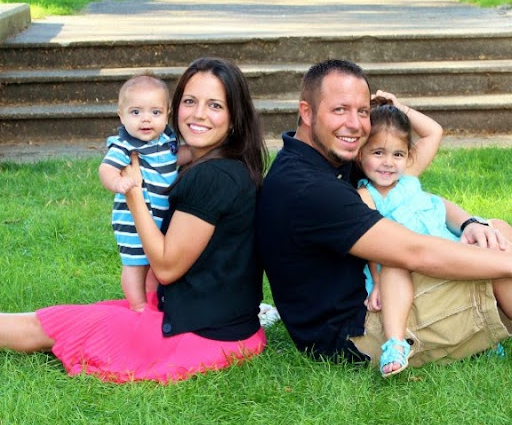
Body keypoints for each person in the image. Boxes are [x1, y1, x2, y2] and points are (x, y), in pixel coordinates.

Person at [0, 57, 268, 384]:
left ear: (235, 116)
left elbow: (167, 267)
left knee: (50, 325)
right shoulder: (225, 164)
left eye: (215, 105)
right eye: (189, 101)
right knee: (92, 312)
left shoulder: (212, 177)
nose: (198, 114)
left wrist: (134, 195)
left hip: (197, 337)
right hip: (227, 326)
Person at [257, 58, 512, 374]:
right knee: (499, 268)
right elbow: (416, 251)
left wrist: (470, 223)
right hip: (360, 330)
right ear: (307, 113)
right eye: (340, 110)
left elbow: (416, 194)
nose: (355, 124)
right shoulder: (308, 187)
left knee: (496, 232)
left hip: (379, 295)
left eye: (363, 111)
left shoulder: (330, 159)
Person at [357, 92, 511, 376]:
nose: (388, 162)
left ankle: (481, 334)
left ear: (408, 156)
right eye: (378, 152)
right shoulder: (366, 195)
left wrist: (397, 108)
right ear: (360, 153)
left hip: (444, 251)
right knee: (393, 263)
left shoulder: (407, 176)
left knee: (497, 229)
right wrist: (376, 282)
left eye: (398, 154)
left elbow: (433, 131)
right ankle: (395, 343)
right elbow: (370, 244)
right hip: (407, 266)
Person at [99, 73, 191, 312]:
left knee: (155, 263)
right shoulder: (125, 145)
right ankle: (138, 306)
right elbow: (106, 168)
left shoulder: (167, 140)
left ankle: (151, 301)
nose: (146, 119)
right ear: (121, 115)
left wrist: (198, 152)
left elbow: (176, 158)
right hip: (132, 221)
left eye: (155, 112)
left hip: (160, 217)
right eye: (136, 112)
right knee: (136, 264)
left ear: (167, 113)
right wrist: (118, 183)